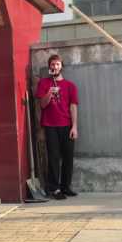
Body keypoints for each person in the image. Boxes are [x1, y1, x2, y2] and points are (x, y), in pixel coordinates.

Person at [36, 54, 79, 200]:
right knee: (53, 158)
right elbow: (42, 105)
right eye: (52, 64)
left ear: (62, 66)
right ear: (49, 67)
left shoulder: (70, 86)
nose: (55, 67)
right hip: (50, 126)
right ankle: (54, 189)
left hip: (66, 125)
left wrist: (74, 127)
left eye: (57, 64)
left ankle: (65, 187)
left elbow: (73, 107)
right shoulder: (43, 83)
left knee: (68, 158)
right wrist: (49, 93)